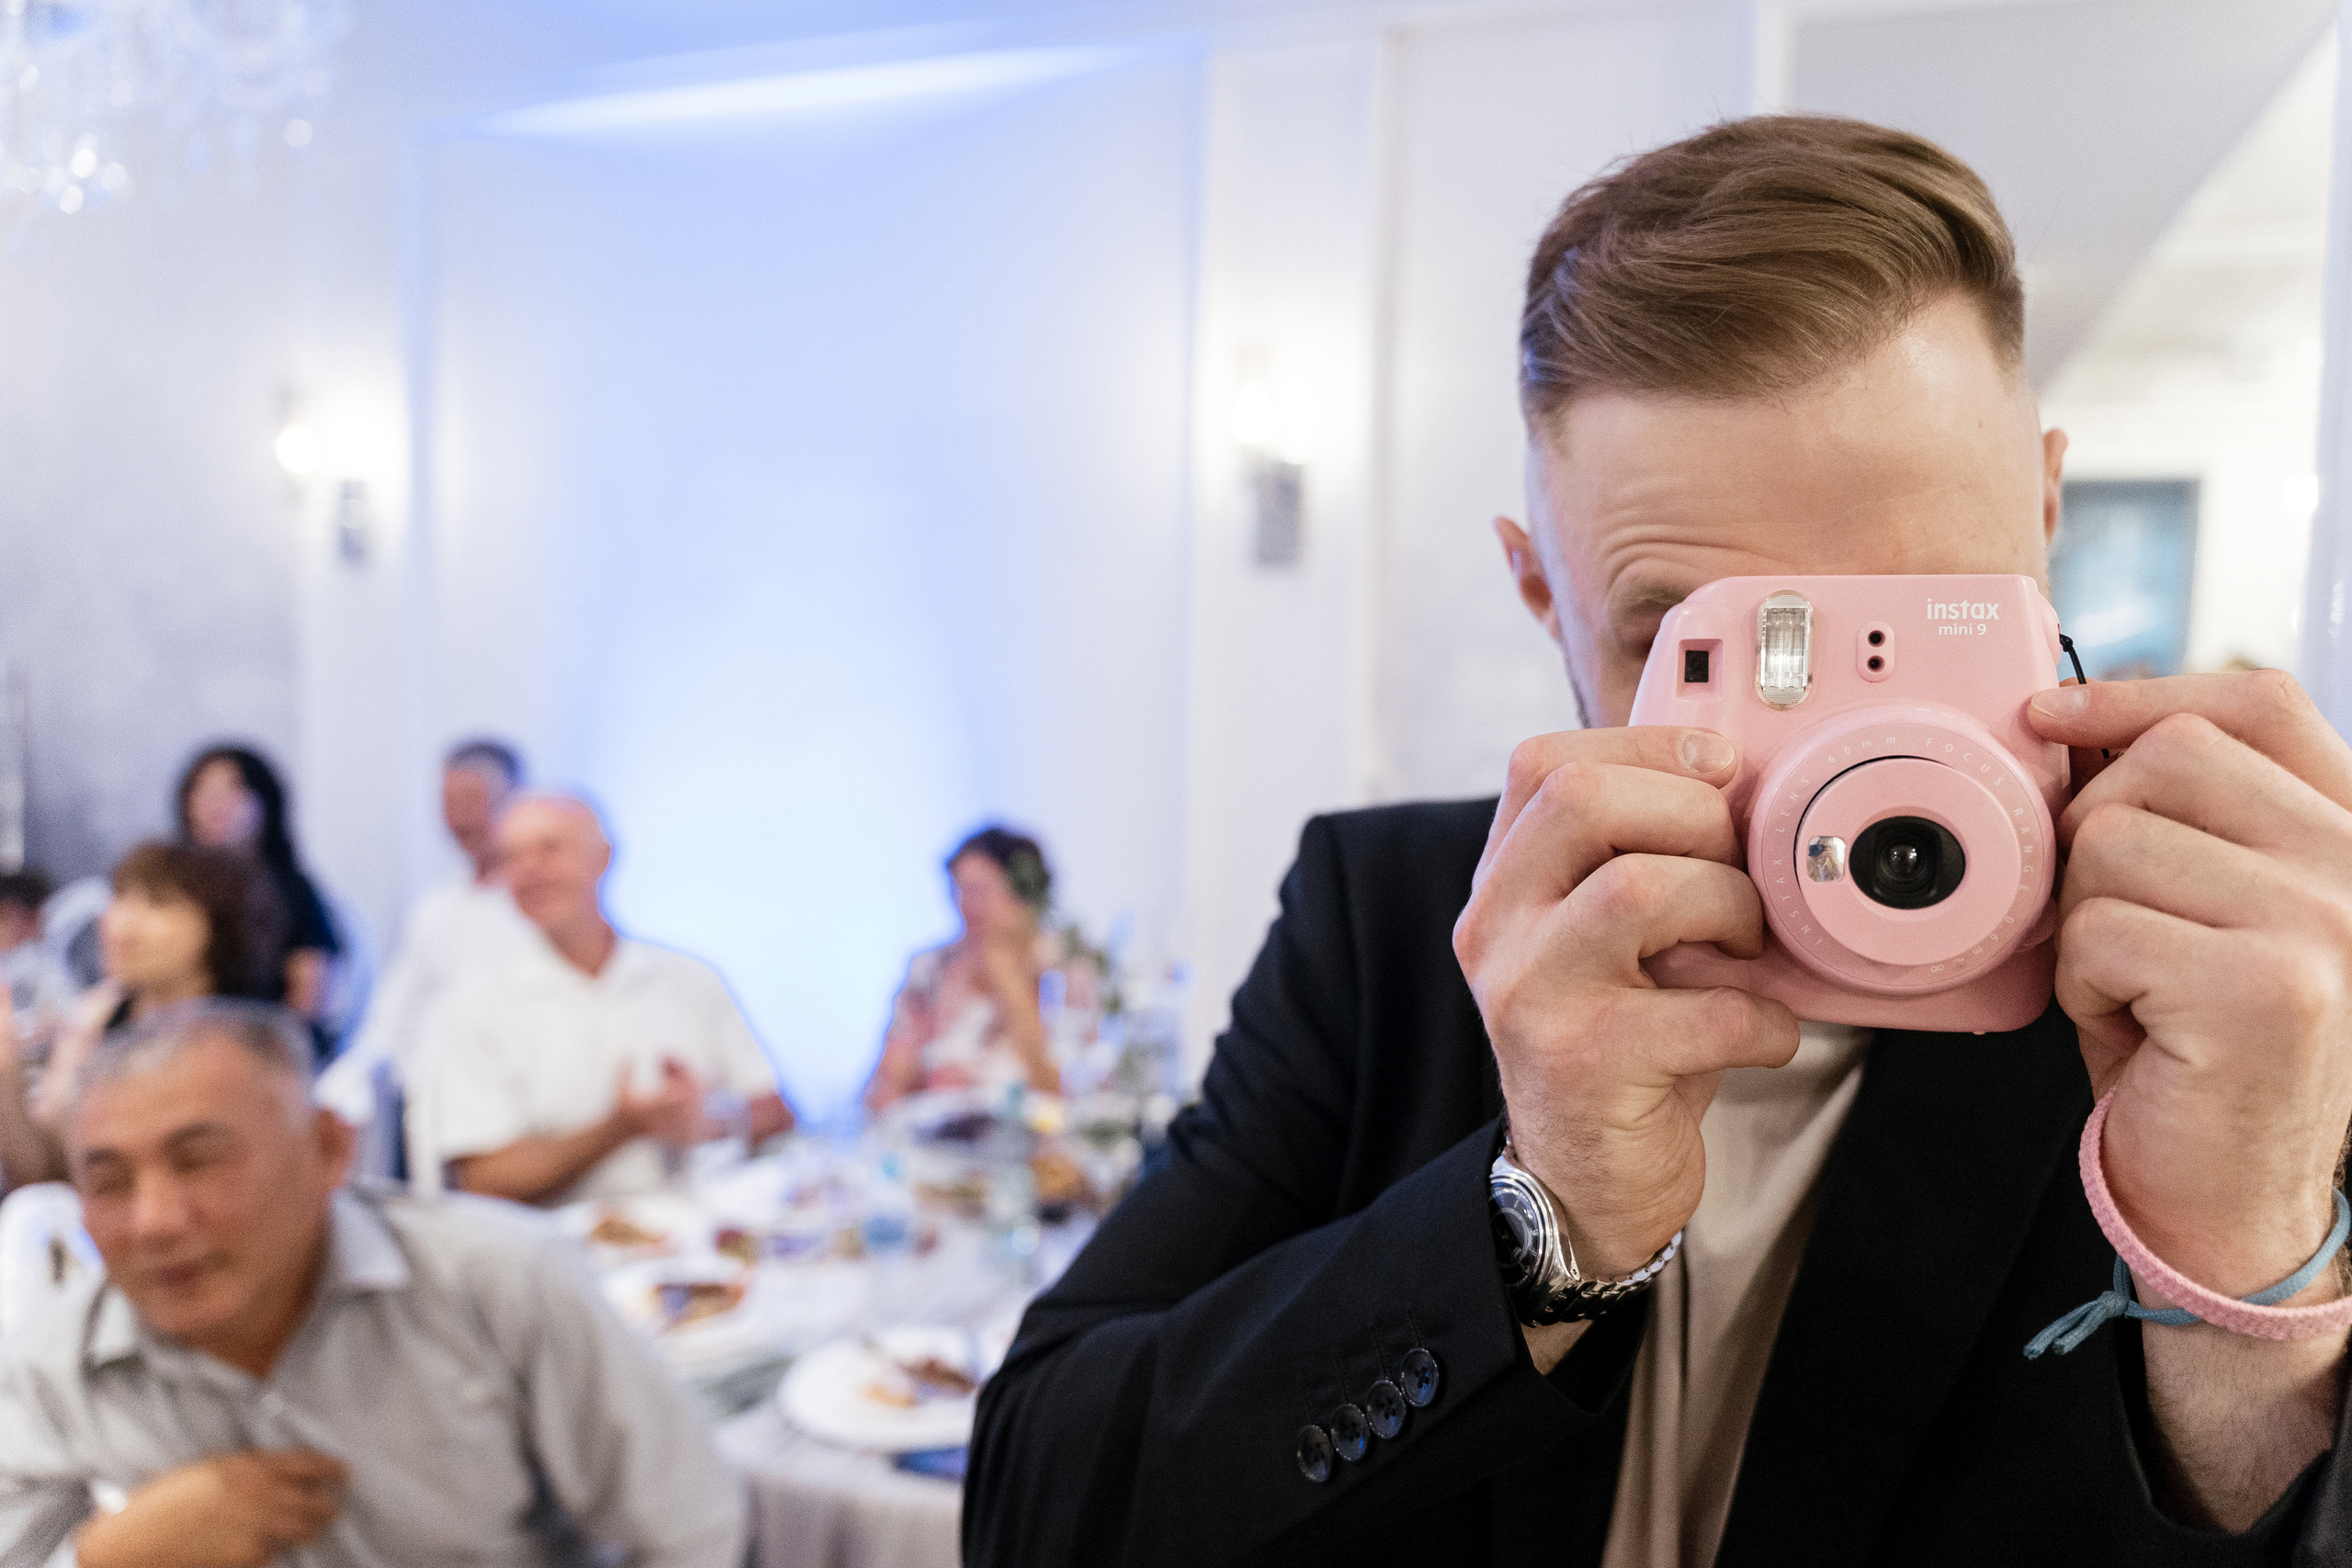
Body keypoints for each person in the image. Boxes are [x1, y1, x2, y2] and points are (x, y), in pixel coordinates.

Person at [966, 117, 2352, 1563]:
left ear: (2045, 513)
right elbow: (1036, 1510)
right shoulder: (1386, 920)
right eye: (1711, 641)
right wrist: (1535, 1227)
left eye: (1917, 620)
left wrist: (2245, 1283)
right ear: (1541, 592)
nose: (1844, 747)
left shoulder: (2241, 986)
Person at [0, 998, 745, 1565]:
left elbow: (688, 1531)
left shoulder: (497, 1283)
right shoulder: (51, 1364)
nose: (154, 1220)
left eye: (200, 1160)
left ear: (327, 1148)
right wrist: (105, 1555)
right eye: (108, 1181)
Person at [423, 793, 794, 1203]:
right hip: (559, 1254)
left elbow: (777, 1112)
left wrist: (710, 1122)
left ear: (603, 856)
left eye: (550, 849)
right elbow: (483, 1180)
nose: (529, 872)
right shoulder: (475, 1007)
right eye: (510, 858)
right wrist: (619, 1129)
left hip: (699, 1236)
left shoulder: (691, 980)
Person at [0, 843, 279, 1190]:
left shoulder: (248, 1046)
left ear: (220, 923)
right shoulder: (94, 1020)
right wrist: (6, 1064)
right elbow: (47, 1176)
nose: (120, 923)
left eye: (157, 902)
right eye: (120, 898)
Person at [316, 739, 535, 1135]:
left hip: (517, 1110)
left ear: (516, 801)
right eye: (449, 801)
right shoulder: (436, 909)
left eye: (473, 799)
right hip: (424, 1107)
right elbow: (393, 1018)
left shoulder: (540, 907)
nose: (461, 818)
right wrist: (345, 1085)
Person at [865, 827, 1105, 1111]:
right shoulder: (932, 969)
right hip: (934, 1142)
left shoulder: (1068, 973)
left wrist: (1012, 985)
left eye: (980, 891)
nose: (967, 907)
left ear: (1024, 895)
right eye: (959, 891)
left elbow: (1066, 1096)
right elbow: (886, 1086)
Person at [176, 745, 341, 1037]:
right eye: (202, 789)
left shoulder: (291, 889)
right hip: (174, 1038)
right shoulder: (171, 887)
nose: (215, 802)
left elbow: (309, 996)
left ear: (265, 803)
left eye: (232, 788)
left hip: (262, 1045)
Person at [0, 870, 74, 1064]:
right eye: (32, 918)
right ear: (5, 910)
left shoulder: (22, 959)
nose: (36, 931)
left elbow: (58, 1013)